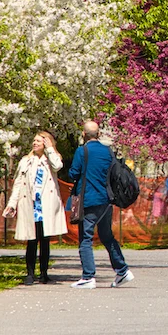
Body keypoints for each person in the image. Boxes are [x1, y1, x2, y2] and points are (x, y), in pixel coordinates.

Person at [66, 120, 134, 289]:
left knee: (85, 238)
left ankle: (88, 276)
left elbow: (73, 173)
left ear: (83, 134)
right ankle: (122, 270)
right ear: (99, 135)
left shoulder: (82, 151)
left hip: (88, 200)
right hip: (106, 200)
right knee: (107, 236)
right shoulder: (107, 151)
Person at [4, 131, 67, 285]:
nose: (35, 143)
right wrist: (12, 204)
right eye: (34, 140)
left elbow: (58, 166)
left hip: (45, 205)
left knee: (44, 239)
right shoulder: (26, 161)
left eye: (39, 141)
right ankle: (30, 273)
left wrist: (50, 149)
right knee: (31, 240)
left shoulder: (52, 159)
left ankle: (44, 273)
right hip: (30, 204)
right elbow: (18, 184)